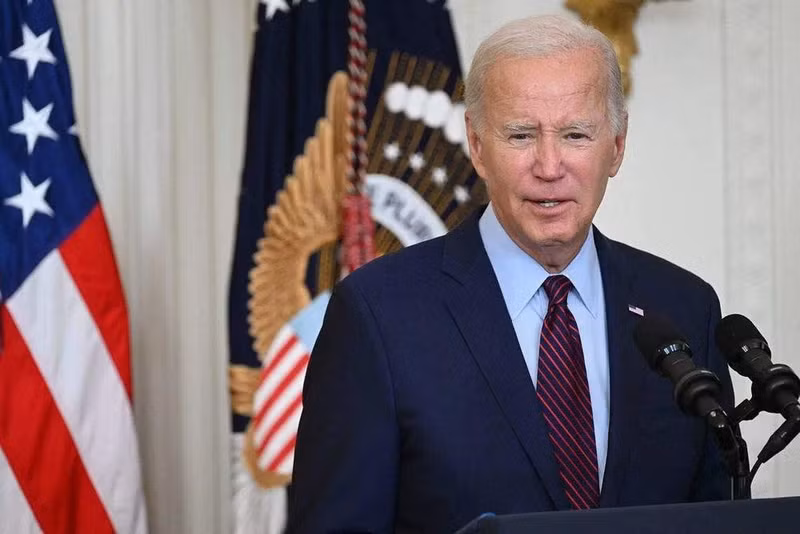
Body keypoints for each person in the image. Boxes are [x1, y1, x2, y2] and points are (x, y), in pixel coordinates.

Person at [287, 14, 734, 534]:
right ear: (477, 146)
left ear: (616, 145)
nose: (549, 166)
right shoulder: (377, 316)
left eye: (575, 134)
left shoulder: (684, 310)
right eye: (521, 135)